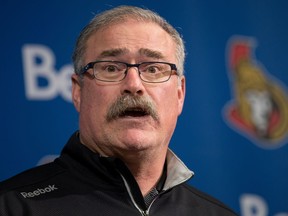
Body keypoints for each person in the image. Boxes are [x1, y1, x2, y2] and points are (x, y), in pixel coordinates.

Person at [0, 5, 237, 216]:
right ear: (78, 92)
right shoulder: (11, 206)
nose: (134, 85)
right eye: (111, 68)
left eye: (153, 69)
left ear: (179, 94)